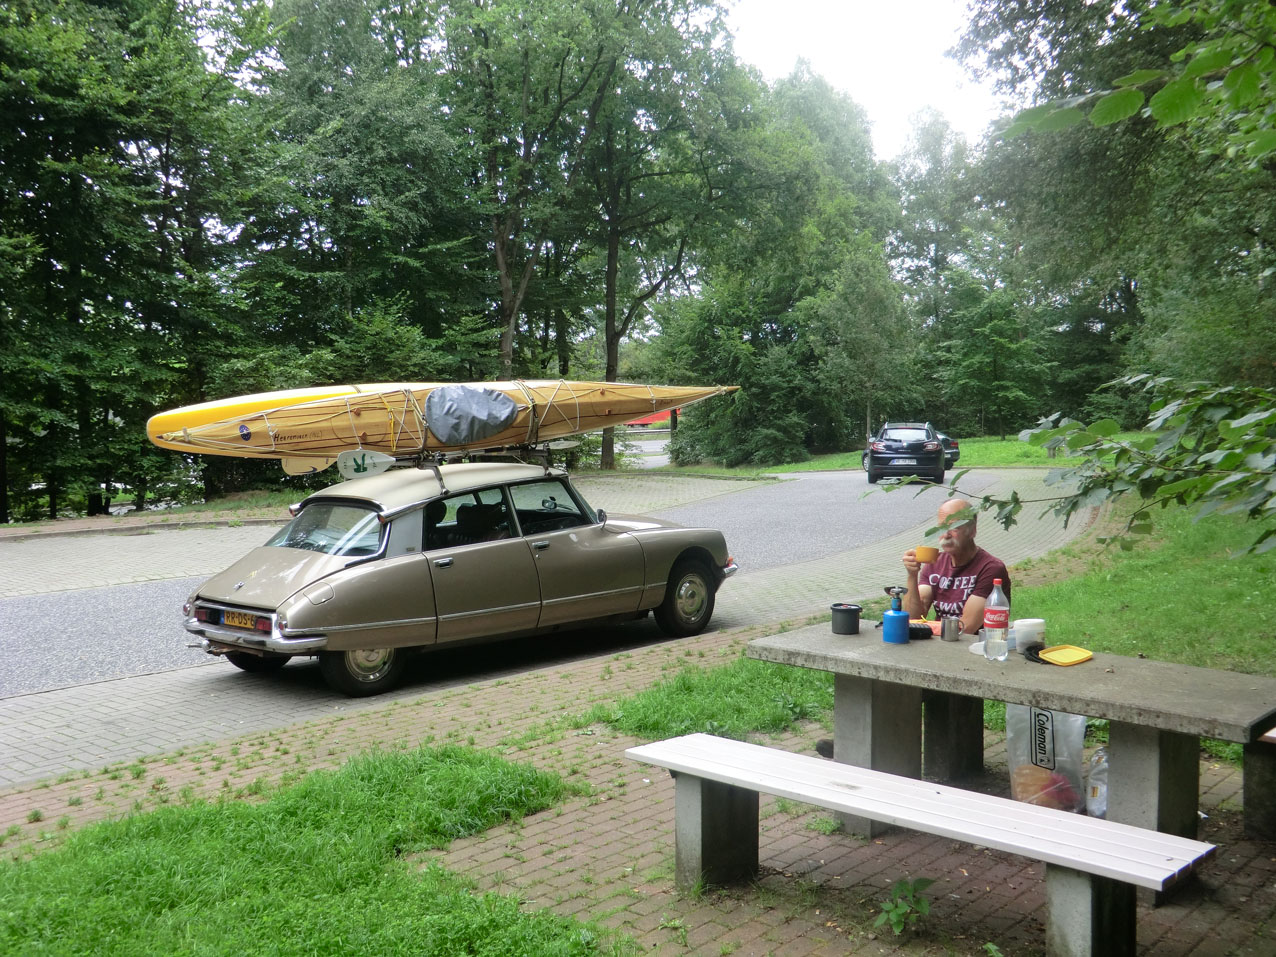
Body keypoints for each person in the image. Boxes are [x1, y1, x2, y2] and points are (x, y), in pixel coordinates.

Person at [902, 498, 1010, 635]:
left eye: (954, 527)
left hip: (975, 648)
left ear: (972, 531)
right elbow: (912, 618)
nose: (946, 535)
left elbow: (965, 628)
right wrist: (912, 575)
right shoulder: (934, 564)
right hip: (941, 643)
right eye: (941, 527)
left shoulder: (991, 568)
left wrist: (925, 628)